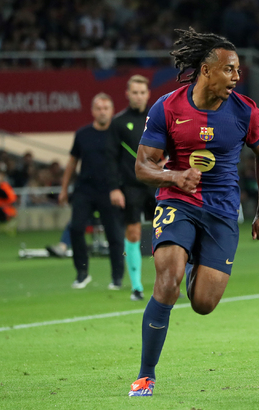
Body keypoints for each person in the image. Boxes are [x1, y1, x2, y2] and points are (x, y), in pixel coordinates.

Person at [128, 27, 259, 397]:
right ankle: (146, 375)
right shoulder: (168, 107)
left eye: (239, 70)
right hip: (177, 203)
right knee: (167, 282)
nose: (237, 77)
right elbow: (142, 167)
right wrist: (174, 176)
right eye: (230, 69)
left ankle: (194, 259)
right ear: (207, 70)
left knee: (204, 304)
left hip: (223, 212)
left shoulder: (245, 111)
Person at [59, 93, 125, 290]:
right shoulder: (82, 134)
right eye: (99, 108)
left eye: (106, 108)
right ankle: (82, 273)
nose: (102, 111)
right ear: (93, 111)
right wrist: (63, 189)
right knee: (76, 228)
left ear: (112, 111)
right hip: (84, 190)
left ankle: (117, 278)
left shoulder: (119, 134)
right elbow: (72, 162)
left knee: (114, 236)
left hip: (110, 190)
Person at [107, 74, 155, 301]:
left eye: (142, 92)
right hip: (131, 187)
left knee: (168, 232)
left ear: (148, 94)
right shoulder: (117, 123)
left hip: (158, 184)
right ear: (127, 94)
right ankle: (137, 287)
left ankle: (169, 285)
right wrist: (115, 188)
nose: (138, 96)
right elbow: (112, 159)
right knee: (134, 233)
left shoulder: (158, 118)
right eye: (134, 92)